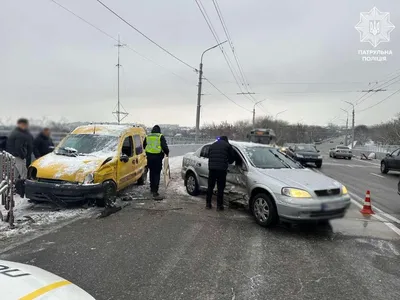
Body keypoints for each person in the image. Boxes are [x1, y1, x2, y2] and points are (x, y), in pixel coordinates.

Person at [206, 136, 235, 211]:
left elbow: (209, 155)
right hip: (221, 170)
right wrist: (228, 161)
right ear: (226, 140)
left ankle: (208, 204)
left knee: (210, 187)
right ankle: (219, 206)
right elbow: (232, 158)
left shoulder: (213, 145)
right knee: (220, 188)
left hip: (212, 169)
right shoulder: (228, 145)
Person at [143, 125, 169, 200]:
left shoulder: (148, 136)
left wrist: (149, 151)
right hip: (158, 158)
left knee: (151, 172)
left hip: (149, 157)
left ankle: (152, 188)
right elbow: (164, 147)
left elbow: (144, 145)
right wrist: (167, 153)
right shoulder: (160, 136)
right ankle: (155, 191)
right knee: (157, 173)